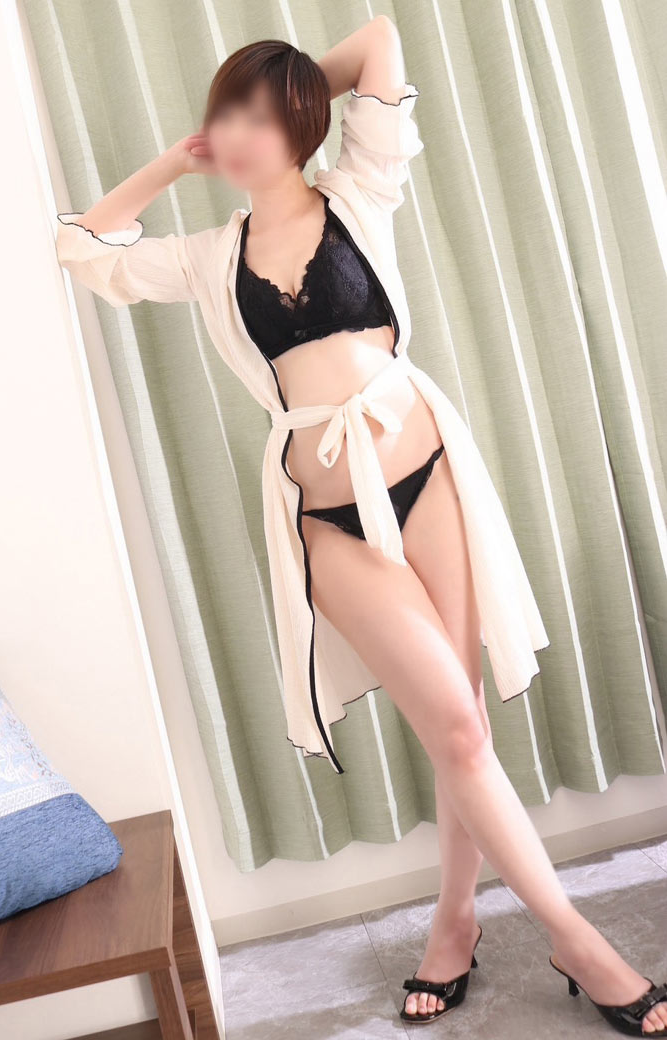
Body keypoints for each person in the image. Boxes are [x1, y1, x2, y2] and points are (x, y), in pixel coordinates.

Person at [53, 16, 667, 1034]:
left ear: (302, 126)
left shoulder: (358, 192)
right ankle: (574, 935)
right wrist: (175, 159)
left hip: (429, 475)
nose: (240, 132)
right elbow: (84, 249)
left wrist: (297, 89)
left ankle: (456, 921)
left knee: (459, 723)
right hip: (327, 518)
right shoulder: (210, 257)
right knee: (454, 723)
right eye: (227, 114)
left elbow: (379, 37)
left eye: (263, 117)